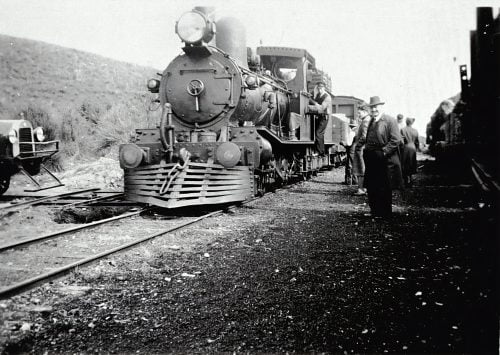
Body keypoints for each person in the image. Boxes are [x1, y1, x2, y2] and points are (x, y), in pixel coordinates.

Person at [363, 96, 403, 218]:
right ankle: (374, 212)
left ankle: (385, 213)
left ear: (381, 107)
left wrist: (384, 152)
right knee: (372, 186)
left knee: (384, 186)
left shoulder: (390, 120)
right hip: (372, 158)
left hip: (384, 159)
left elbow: (396, 140)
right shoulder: (371, 121)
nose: (374, 109)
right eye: (372, 107)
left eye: (376, 106)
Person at [308, 81, 332, 155]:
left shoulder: (327, 97)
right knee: (314, 133)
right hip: (318, 117)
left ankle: (320, 152)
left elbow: (321, 108)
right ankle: (315, 150)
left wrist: (312, 105)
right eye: (318, 88)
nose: (320, 90)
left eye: (321, 88)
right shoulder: (318, 95)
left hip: (324, 117)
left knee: (319, 133)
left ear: (324, 88)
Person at [352, 103, 371, 195]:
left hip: (361, 149)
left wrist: (357, 145)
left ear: (365, 112)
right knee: (362, 168)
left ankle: (361, 189)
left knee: (360, 169)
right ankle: (363, 188)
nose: (358, 115)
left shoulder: (365, 121)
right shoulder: (366, 120)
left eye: (359, 113)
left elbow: (364, 137)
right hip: (363, 148)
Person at [400, 117, 420, 187]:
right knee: (412, 163)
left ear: (406, 122)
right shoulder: (415, 131)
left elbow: (401, 141)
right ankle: (411, 179)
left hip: (405, 147)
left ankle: (406, 180)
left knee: (405, 163)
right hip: (413, 147)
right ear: (412, 123)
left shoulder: (402, 130)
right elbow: (417, 142)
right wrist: (416, 148)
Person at [342, 120, 357, 184]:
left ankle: (348, 181)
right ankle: (355, 180)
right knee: (355, 165)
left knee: (349, 165)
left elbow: (348, 143)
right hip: (356, 150)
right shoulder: (358, 132)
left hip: (351, 151)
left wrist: (342, 143)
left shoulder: (352, 133)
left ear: (350, 126)